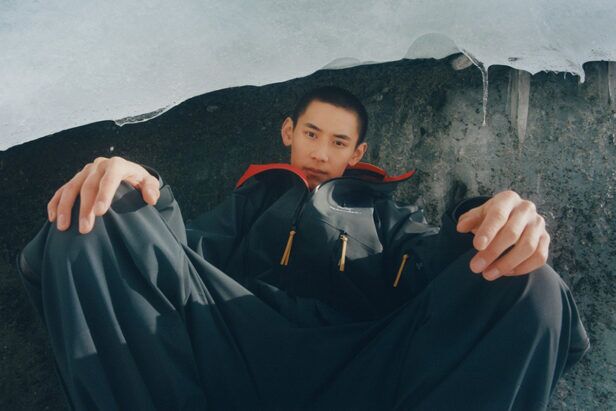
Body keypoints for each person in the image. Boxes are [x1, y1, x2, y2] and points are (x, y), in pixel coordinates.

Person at [16, 86, 590, 410]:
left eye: (338, 142)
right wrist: (142, 192)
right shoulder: (252, 199)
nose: (320, 152)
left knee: (523, 279)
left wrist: (488, 221)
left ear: (356, 153)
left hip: (361, 364)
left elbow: (436, 268)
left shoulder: (386, 214)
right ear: (289, 132)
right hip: (238, 346)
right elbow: (176, 259)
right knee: (99, 215)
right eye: (312, 134)